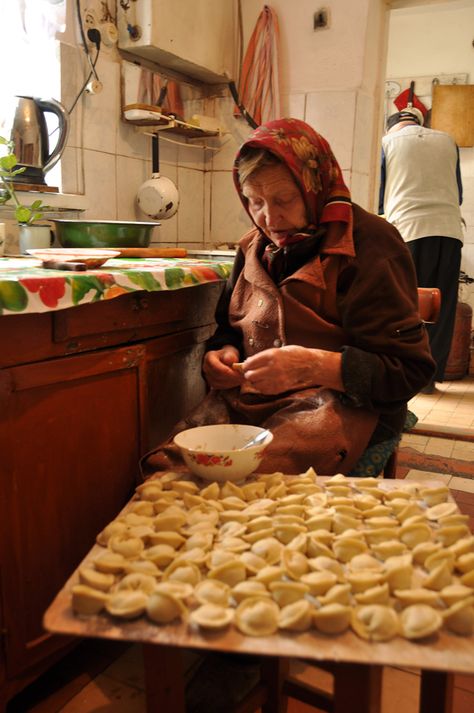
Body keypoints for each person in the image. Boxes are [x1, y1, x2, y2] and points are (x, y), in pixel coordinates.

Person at [142, 117, 435, 481]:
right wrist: (224, 354)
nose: (269, 217)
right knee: (169, 474)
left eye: (284, 199)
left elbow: (409, 372)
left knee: (249, 486)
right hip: (250, 403)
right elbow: (227, 330)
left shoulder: (371, 244)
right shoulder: (252, 246)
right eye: (255, 201)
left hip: (342, 407)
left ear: (315, 186)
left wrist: (310, 366)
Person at [379, 107, 464, 393]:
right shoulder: (447, 139)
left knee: (405, 305)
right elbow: (459, 193)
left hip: (407, 230)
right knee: (441, 306)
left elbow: (379, 197)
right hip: (450, 231)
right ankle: (428, 379)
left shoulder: (387, 143)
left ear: (392, 127)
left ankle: (405, 377)